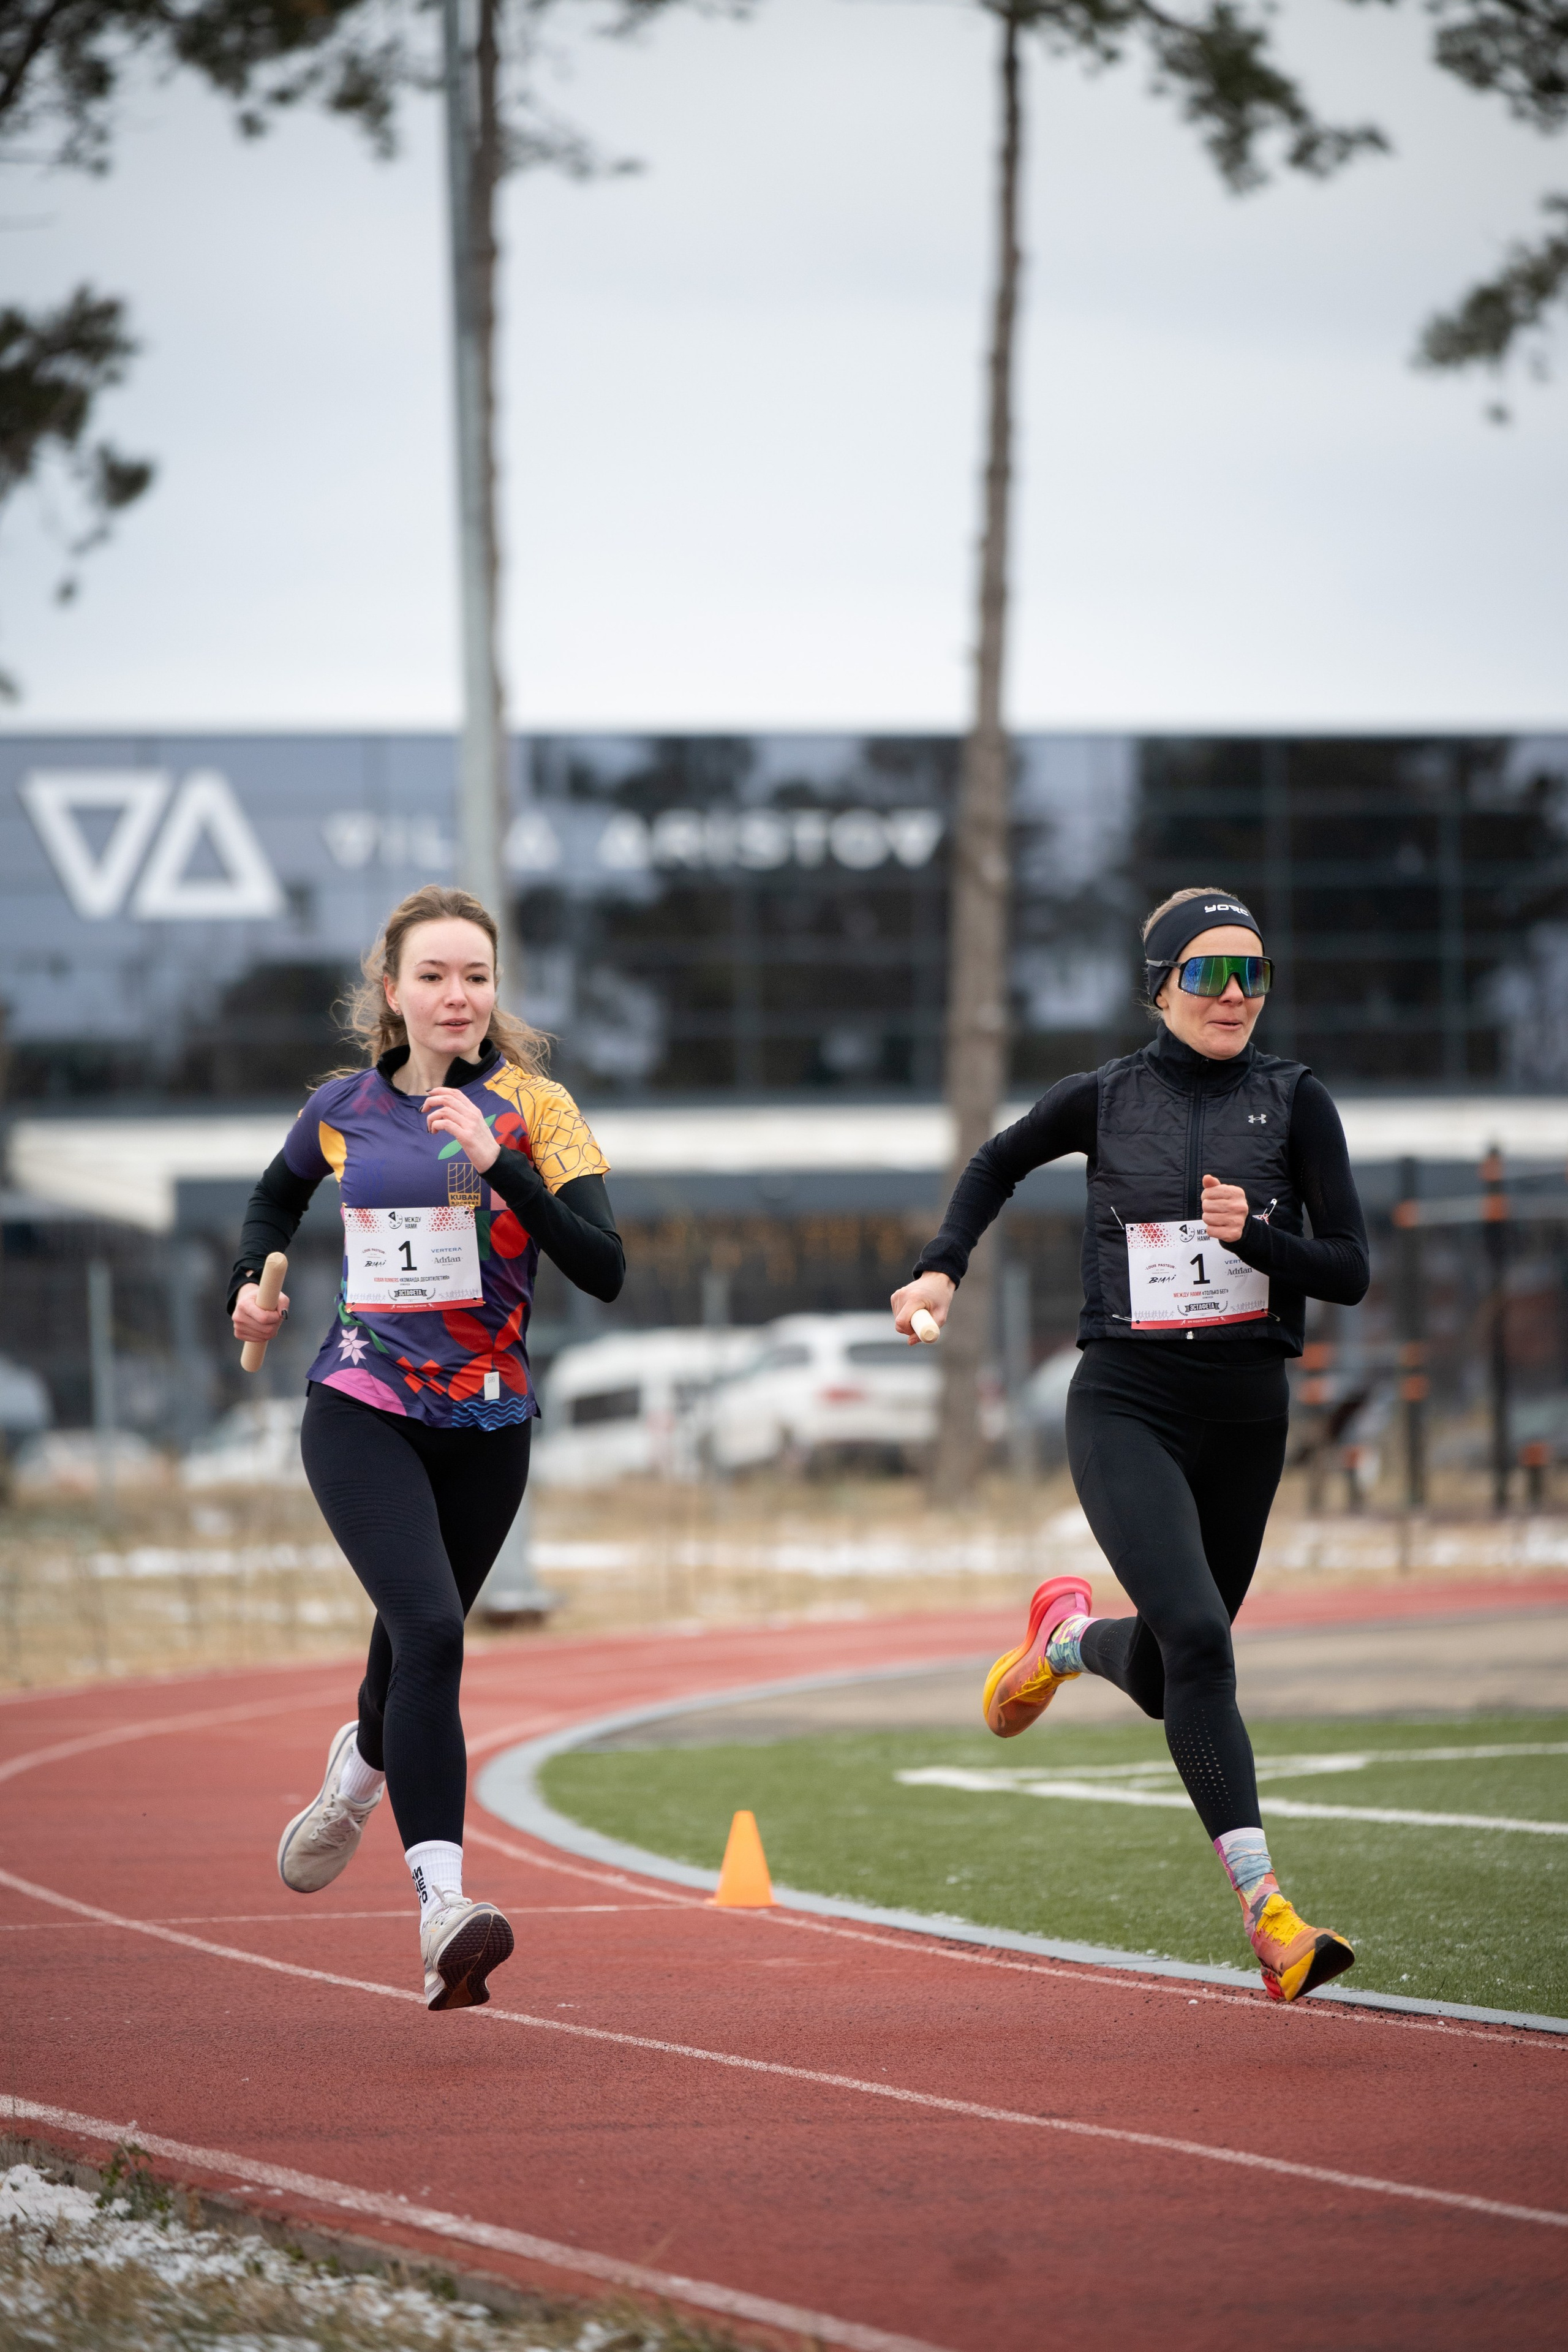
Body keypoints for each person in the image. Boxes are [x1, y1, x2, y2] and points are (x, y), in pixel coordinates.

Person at [891, 888, 1368, 2003]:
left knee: (1168, 1671)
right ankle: (1272, 1918)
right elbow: (994, 1163)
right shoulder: (1104, 1099)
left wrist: (1265, 1238)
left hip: (1248, 1416)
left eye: (1254, 974)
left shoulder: (1298, 1104)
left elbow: (1349, 1267)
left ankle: (1062, 1641)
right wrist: (940, 1267)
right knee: (1203, 1637)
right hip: (1128, 1404)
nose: (1235, 996)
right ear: (1159, 985)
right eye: (1209, 974)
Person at [230, 884, 624, 2011]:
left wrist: (502, 1165)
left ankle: (357, 1769)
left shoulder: (539, 1110)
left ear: (496, 992)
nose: (458, 996)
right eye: (435, 976)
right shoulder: (342, 1108)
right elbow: (271, 1203)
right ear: (392, 992)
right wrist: (245, 1294)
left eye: (478, 977)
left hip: (490, 1420)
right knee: (434, 1630)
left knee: (408, 1653)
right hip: (362, 1399)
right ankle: (442, 1908)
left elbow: (603, 1267)